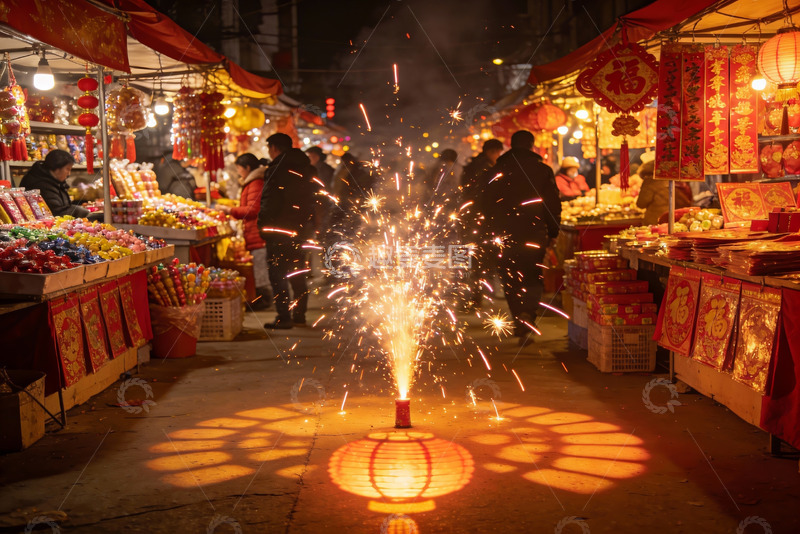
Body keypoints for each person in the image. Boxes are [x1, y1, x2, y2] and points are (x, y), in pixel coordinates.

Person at [479, 130, 561, 345]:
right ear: (532, 145)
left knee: (510, 277)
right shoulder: (542, 170)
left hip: (503, 233)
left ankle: (519, 317)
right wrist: (553, 231)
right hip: (534, 231)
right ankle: (528, 314)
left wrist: (489, 232)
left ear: (511, 146)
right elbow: (552, 203)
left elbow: (484, 204)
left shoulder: (496, 171)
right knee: (533, 274)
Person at [258, 133, 321, 329]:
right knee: (297, 270)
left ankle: (283, 316)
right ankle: (299, 314)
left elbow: (269, 202)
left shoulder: (276, 169)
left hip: (279, 229)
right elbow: (316, 199)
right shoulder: (307, 169)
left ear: (274, 148)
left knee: (278, 273)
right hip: (301, 229)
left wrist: (263, 225)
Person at [216, 153, 272, 310]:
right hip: (255, 231)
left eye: (239, 169)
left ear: (247, 167)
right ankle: (263, 298)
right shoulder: (252, 182)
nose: (238, 172)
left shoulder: (255, 183)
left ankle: (265, 300)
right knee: (259, 266)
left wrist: (229, 210)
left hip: (257, 232)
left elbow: (252, 209)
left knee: (260, 268)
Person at [460, 139, 504, 310]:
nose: (498, 156)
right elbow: (487, 195)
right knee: (482, 258)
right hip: (481, 218)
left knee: (473, 258)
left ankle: (474, 295)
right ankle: (477, 296)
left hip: (470, 217)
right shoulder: (486, 168)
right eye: (498, 153)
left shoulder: (472, 165)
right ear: (492, 151)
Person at [20, 149, 90, 218]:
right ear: (57, 168)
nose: (69, 174)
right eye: (67, 169)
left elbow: (63, 206)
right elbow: (55, 213)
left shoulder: (56, 181)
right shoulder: (40, 184)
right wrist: (79, 212)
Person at [636, 160, 693, 225]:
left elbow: (641, 204)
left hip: (654, 220)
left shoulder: (649, 181)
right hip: (675, 219)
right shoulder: (675, 179)